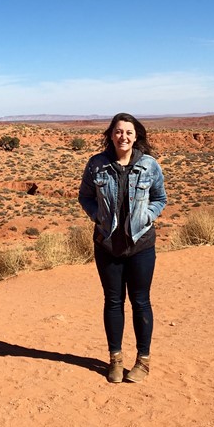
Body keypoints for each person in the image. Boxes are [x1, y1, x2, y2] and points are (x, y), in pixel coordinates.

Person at [78, 112, 167, 383]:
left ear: (136, 135)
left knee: (140, 301)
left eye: (128, 132)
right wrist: (98, 216)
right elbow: (85, 196)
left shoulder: (149, 165)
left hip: (141, 244)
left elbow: (160, 198)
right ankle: (115, 360)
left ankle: (143, 361)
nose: (123, 137)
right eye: (118, 131)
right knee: (113, 302)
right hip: (107, 244)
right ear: (111, 135)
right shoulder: (97, 165)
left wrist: (148, 216)